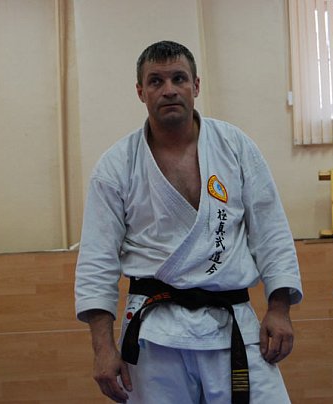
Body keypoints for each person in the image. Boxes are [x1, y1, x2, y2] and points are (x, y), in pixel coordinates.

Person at [74, 40, 303, 404]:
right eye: (156, 81)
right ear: (140, 91)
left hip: (231, 323)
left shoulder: (235, 147)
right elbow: (96, 260)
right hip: (154, 334)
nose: (169, 89)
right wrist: (102, 348)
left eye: (178, 78)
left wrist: (279, 309)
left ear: (195, 85)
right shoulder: (116, 165)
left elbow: (271, 232)